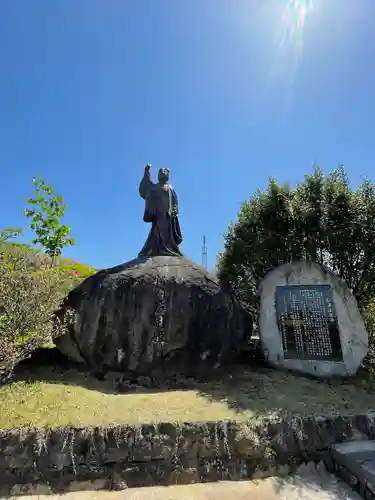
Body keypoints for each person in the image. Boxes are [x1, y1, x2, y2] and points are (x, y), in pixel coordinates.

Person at [138, 164, 183, 257]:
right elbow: (146, 189)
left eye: (165, 172)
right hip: (158, 213)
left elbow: (175, 200)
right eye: (160, 172)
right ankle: (152, 250)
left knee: (169, 233)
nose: (163, 173)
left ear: (168, 175)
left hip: (169, 215)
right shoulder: (154, 187)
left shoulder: (170, 188)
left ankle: (171, 248)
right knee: (156, 232)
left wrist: (175, 209)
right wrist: (146, 173)